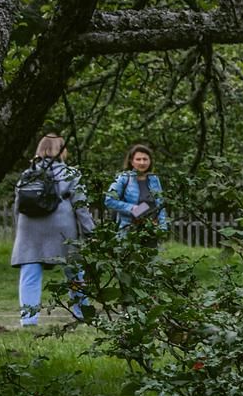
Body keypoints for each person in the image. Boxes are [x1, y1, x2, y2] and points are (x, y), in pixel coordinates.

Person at [11, 134, 93, 326]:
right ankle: (82, 313)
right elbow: (80, 205)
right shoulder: (70, 173)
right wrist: (90, 231)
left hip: (29, 226)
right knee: (74, 272)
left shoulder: (27, 173)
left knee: (30, 272)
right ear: (62, 150)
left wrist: (19, 229)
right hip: (61, 227)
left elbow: (17, 204)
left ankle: (28, 319)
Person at [104, 143, 169, 232]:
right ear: (131, 161)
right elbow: (109, 200)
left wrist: (163, 227)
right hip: (128, 230)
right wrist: (132, 208)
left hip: (151, 230)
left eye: (145, 159)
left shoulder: (154, 179)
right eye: (138, 159)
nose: (142, 162)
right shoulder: (123, 178)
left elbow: (160, 204)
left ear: (150, 161)